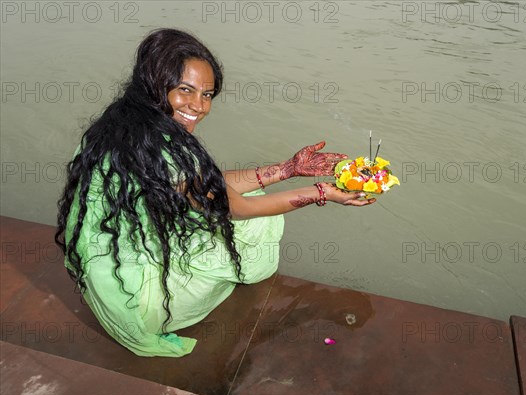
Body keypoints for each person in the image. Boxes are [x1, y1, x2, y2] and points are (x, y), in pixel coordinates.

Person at [55, 28, 375, 357]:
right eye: (185, 90)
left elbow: (206, 184)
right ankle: (234, 284)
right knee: (259, 222)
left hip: (107, 284)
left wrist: (288, 169)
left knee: (228, 211)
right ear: (155, 83)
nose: (198, 106)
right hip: (139, 305)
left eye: (206, 94)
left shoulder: (121, 125)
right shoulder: (158, 148)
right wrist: (322, 192)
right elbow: (236, 207)